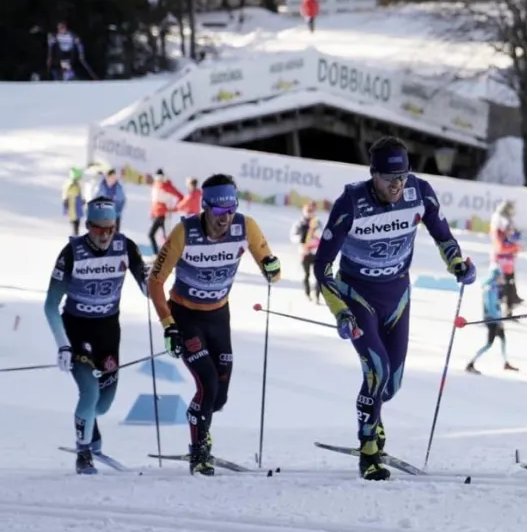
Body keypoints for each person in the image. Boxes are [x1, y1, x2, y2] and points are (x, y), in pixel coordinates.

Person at [313, 136, 477, 481]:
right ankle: (368, 449)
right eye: (388, 178)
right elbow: (321, 266)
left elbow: (442, 234)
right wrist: (340, 311)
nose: (396, 185)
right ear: (373, 175)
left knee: (389, 386)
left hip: (397, 296)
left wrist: (458, 263)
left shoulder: (420, 192)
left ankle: (373, 417)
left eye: (402, 176)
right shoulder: (351, 201)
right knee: (377, 372)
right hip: (357, 295)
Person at [147, 174, 281, 475]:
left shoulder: (245, 226)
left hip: (219, 316)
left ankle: (199, 419)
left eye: (231, 209)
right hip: (185, 316)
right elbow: (155, 281)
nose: (226, 217)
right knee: (206, 383)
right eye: (219, 212)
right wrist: (168, 325)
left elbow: (270, 266)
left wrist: (272, 269)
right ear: (205, 207)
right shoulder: (185, 232)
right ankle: (199, 450)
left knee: (218, 397)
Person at [42, 198, 148, 474]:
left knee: (103, 404)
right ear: (87, 226)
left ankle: (91, 426)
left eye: (110, 228)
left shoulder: (126, 247)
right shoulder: (72, 253)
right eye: (98, 228)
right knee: (88, 392)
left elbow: (149, 284)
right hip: (76, 328)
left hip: (108, 330)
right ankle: (84, 453)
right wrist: (63, 345)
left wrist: (153, 286)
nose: (104, 235)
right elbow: (50, 305)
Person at [465, 268, 518, 374]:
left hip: (495, 319)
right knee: (489, 343)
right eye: (501, 277)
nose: (502, 279)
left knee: (503, 339)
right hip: (491, 320)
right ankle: (471, 363)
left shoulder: (494, 288)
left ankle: (506, 362)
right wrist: (499, 321)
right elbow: (491, 307)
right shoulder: (491, 289)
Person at [489, 200, 525, 315]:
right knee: (501, 288)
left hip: (507, 261)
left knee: (509, 284)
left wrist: (514, 245)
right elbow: (500, 247)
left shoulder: (506, 222)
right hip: (501, 262)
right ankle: (497, 313)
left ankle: (509, 307)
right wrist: (514, 247)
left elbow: (511, 237)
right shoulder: (499, 223)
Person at [148, 169, 184, 254]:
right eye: (157, 177)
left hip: (164, 214)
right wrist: (152, 211)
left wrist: (175, 208)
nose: (159, 179)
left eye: (160, 178)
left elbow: (180, 196)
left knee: (164, 237)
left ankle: (173, 255)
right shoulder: (155, 185)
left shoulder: (166, 185)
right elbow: (154, 200)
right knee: (159, 236)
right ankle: (157, 255)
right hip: (157, 214)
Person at [293, 201, 322, 303]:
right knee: (306, 274)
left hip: (316, 253)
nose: (309, 213)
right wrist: (301, 240)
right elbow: (293, 236)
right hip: (304, 252)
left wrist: (316, 237)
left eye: (311, 211)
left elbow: (322, 236)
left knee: (318, 275)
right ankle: (307, 293)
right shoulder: (299, 223)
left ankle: (317, 296)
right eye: (307, 211)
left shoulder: (317, 223)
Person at [61, 168, 85, 236]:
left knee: (76, 222)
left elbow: (80, 194)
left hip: (76, 206)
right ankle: (75, 236)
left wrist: (82, 200)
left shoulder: (77, 184)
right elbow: (65, 194)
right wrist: (65, 202)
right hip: (73, 207)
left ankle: (75, 235)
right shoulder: (70, 184)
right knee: (75, 223)